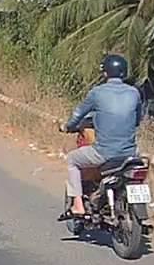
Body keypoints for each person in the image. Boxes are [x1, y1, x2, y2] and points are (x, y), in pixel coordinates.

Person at [58, 54, 144, 220]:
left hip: (104, 153)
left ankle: (78, 205)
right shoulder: (134, 93)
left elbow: (78, 114)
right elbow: (137, 119)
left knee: (72, 160)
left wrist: (67, 127)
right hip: (131, 154)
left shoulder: (97, 93)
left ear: (105, 73)